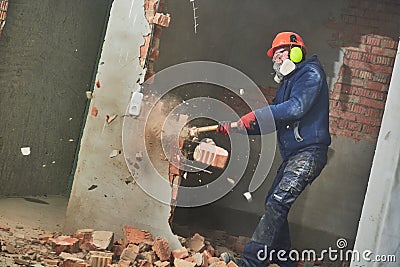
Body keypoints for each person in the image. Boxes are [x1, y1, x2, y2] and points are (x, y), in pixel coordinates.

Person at [216, 31, 331, 267]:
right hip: (295, 156)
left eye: (279, 53)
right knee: (275, 202)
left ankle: (249, 263)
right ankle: (285, 262)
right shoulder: (288, 84)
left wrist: (254, 115)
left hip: (309, 153)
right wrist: (238, 128)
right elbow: (273, 119)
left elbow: (296, 108)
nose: (276, 60)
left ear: (296, 52)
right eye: (275, 55)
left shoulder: (311, 74)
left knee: (277, 202)